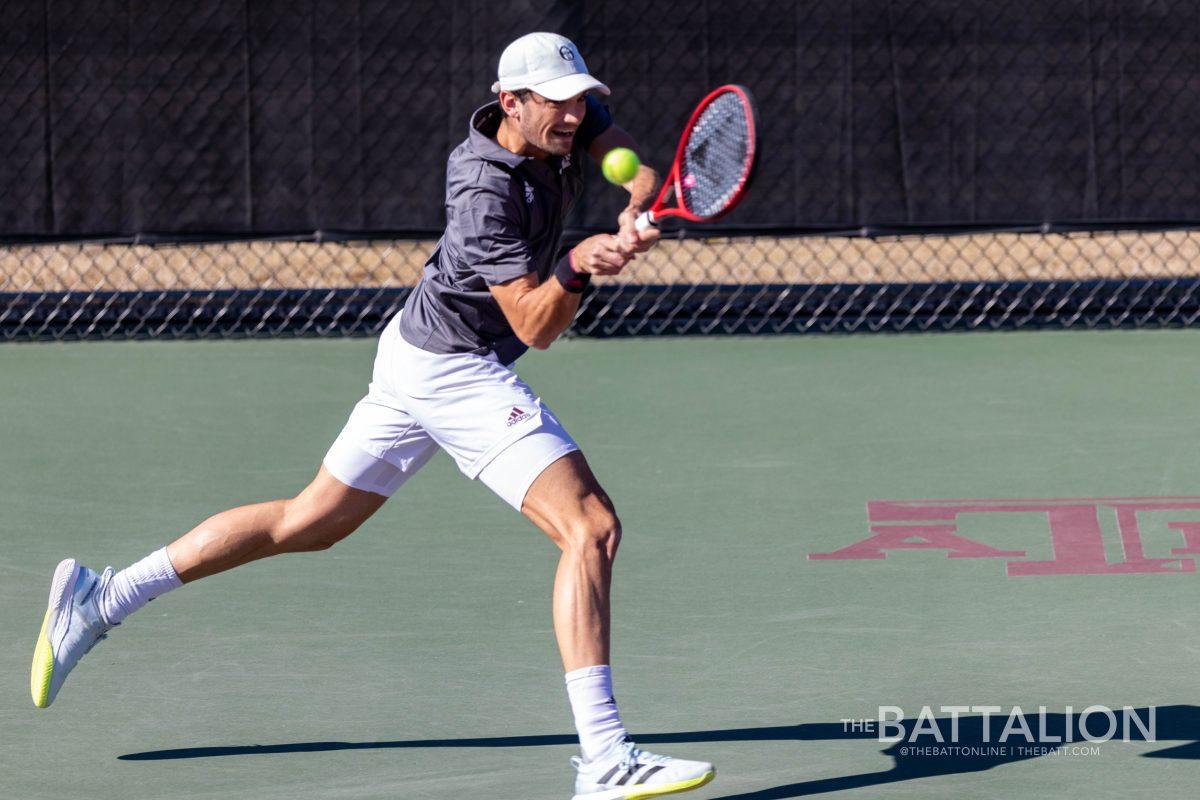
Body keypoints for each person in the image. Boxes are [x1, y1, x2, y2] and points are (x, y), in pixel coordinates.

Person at [29, 31, 715, 800]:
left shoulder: (565, 119)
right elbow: (536, 327)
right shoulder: (482, 189)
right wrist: (578, 264)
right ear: (510, 101)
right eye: (555, 103)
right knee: (589, 526)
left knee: (307, 522)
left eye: (579, 99)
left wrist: (635, 207)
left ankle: (104, 596)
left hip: (412, 351)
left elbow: (634, 163)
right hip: (452, 367)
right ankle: (605, 757)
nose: (572, 115)